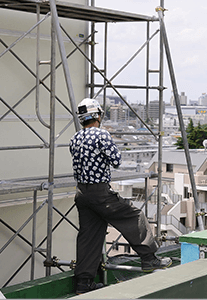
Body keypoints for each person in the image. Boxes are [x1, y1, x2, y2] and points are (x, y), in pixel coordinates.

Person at [69, 98, 172, 294]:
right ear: (97, 115)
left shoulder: (75, 138)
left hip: (82, 194)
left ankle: (83, 283)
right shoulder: (101, 135)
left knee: (88, 236)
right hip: (100, 192)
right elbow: (116, 161)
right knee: (134, 216)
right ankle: (149, 259)